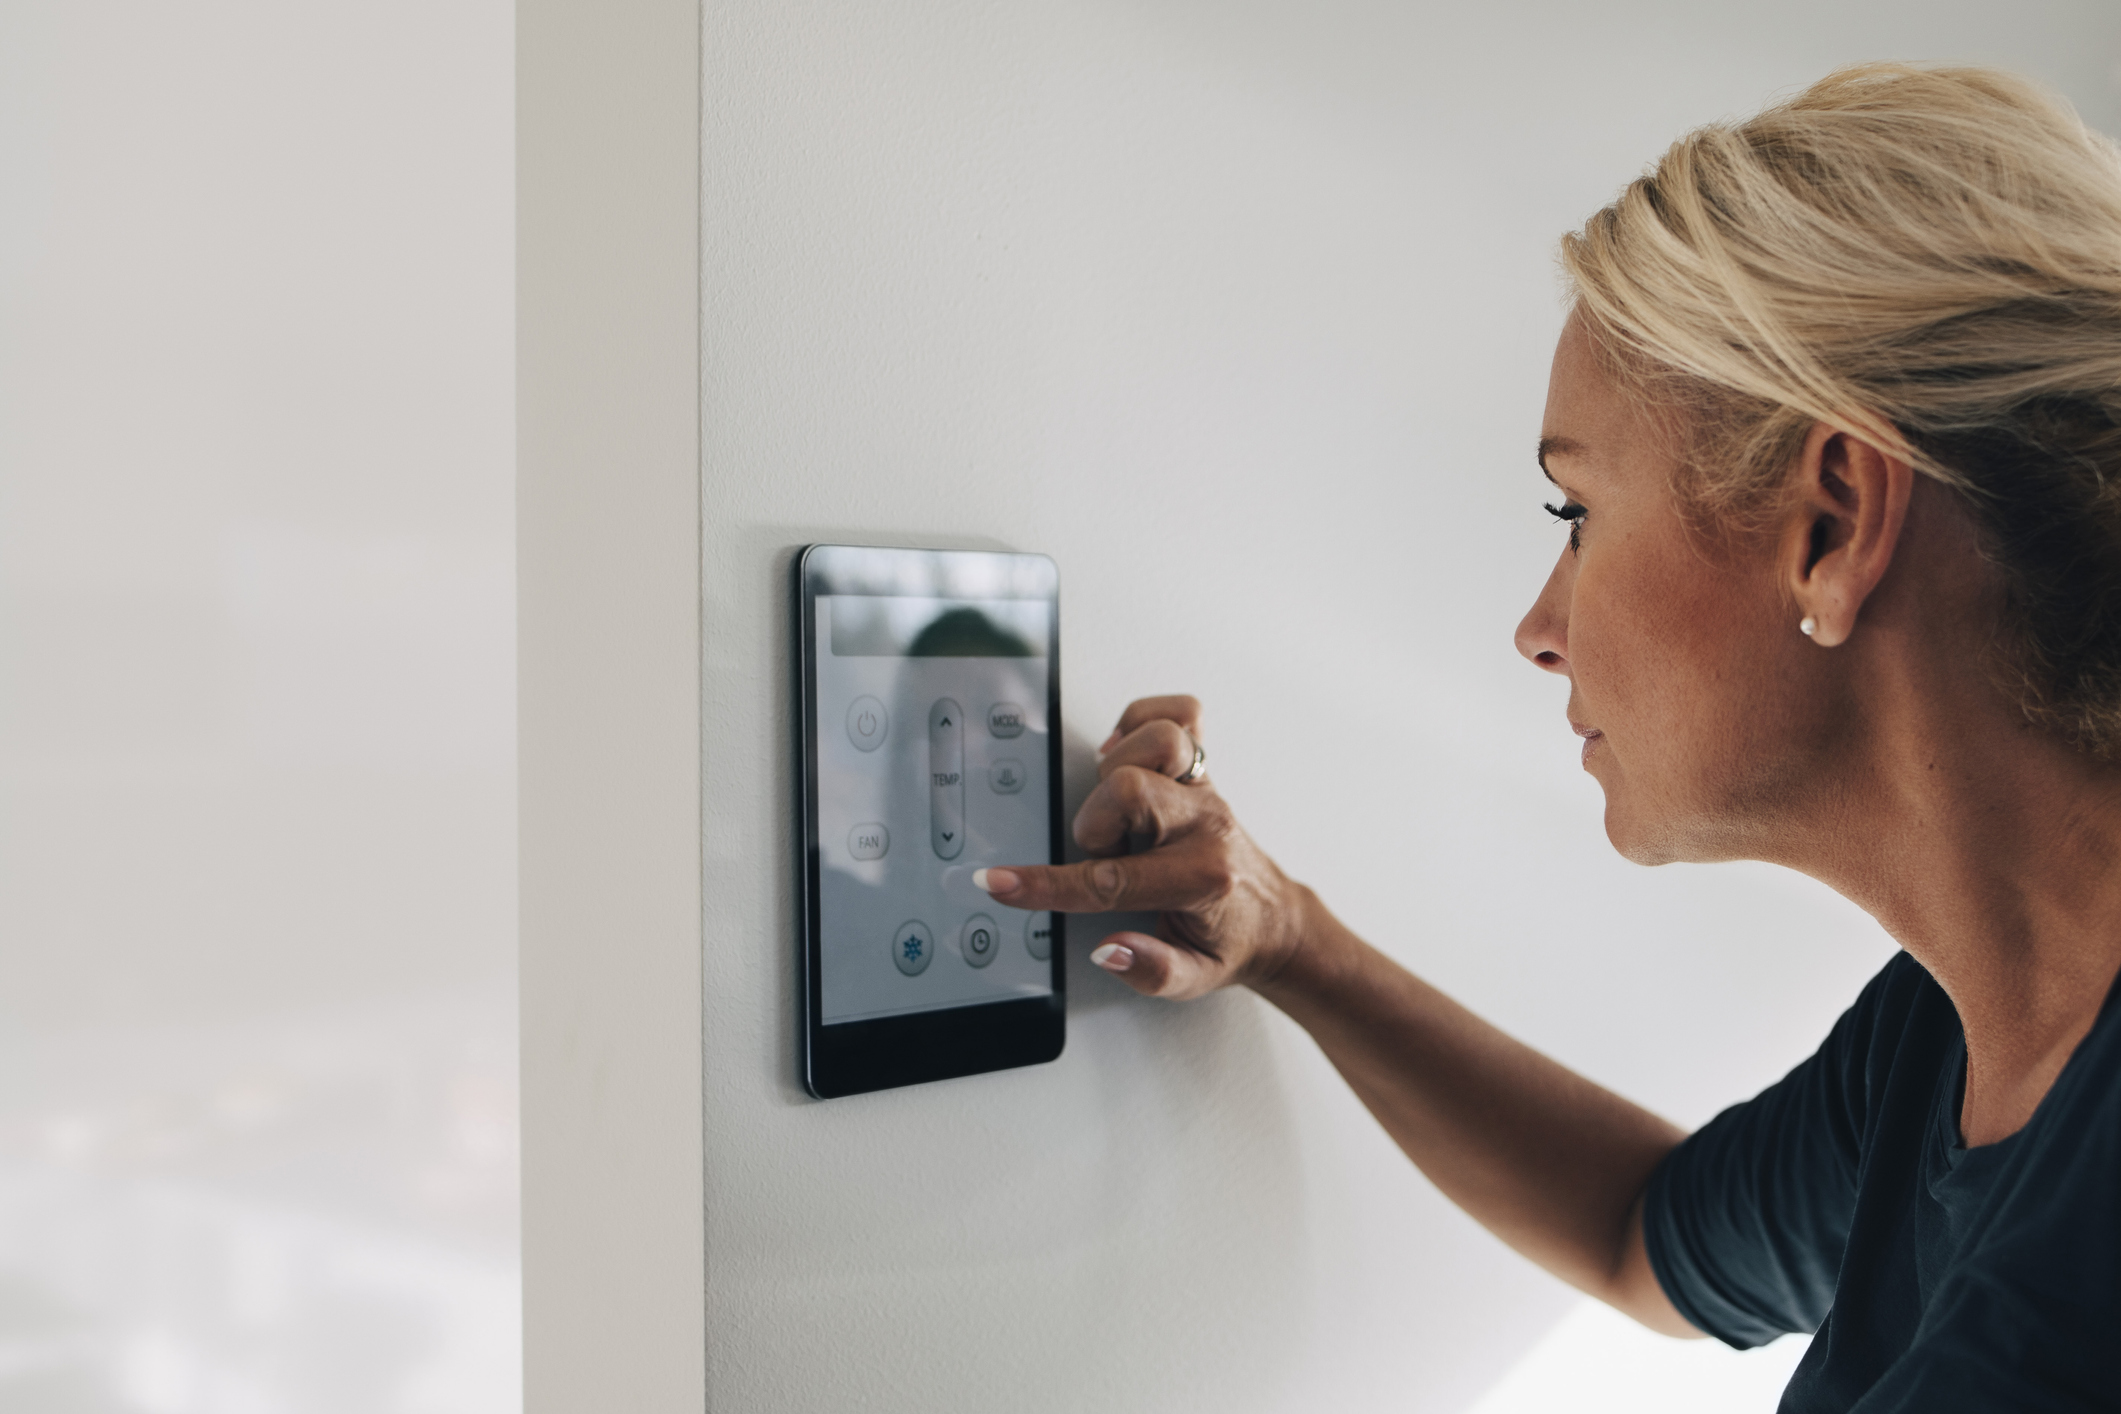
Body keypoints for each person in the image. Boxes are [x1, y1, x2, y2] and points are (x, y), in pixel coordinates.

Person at [975, 63, 2121, 1411]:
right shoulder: (1957, 1029)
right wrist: (1287, 936)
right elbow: (1643, 1232)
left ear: (1828, 525)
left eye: (1572, 513)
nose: (1538, 624)